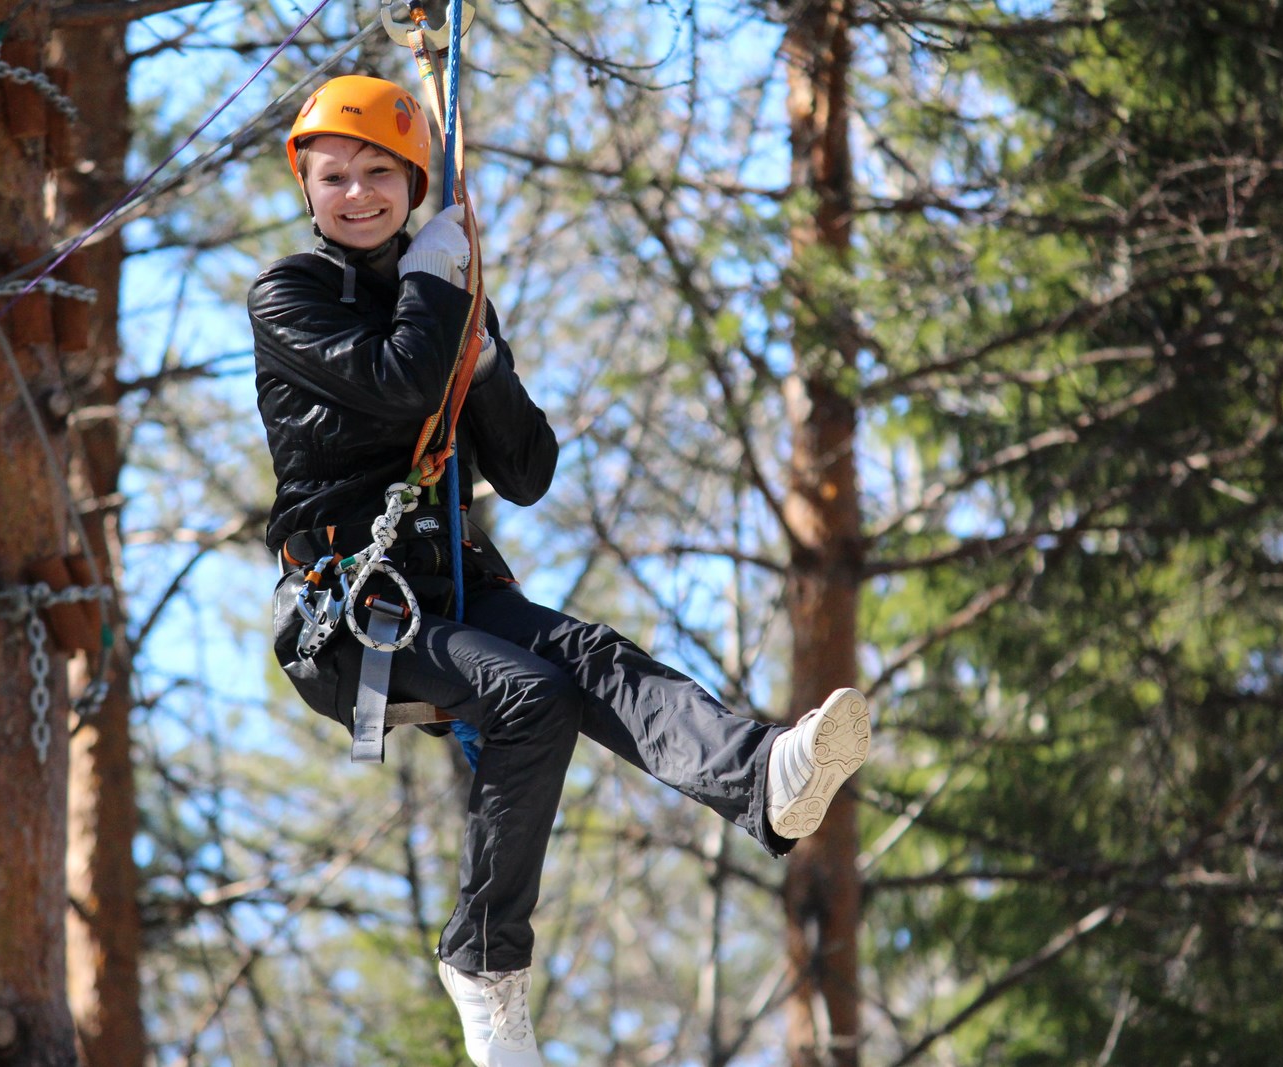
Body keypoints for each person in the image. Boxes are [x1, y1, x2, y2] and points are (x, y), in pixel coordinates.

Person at [249, 74, 872, 1067]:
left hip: (449, 585)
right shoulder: (290, 294)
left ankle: (760, 774)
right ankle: (484, 965)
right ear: (306, 187)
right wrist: (438, 291)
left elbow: (528, 471)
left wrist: (485, 364)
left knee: (586, 653)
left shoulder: (443, 298)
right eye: (335, 176)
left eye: (379, 174)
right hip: (350, 610)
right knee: (529, 691)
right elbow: (396, 379)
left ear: (415, 187)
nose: (356, 193)